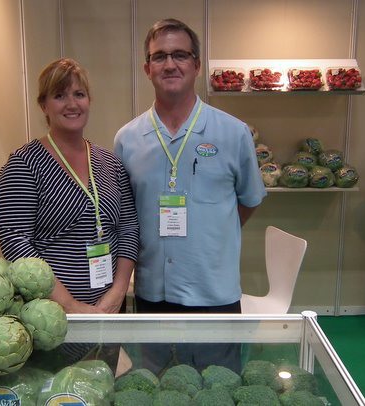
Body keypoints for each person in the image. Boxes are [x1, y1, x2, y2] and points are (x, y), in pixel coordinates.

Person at [114, 18, 266, 371]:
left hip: (214, 292)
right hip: (152, 293)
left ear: (196, 65)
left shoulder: (233, 133)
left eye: (180, 55)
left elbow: (248, 201)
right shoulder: (127, 139)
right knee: (158, 385)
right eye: (160, 56)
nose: (170, 64)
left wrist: (210, 236)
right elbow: (126, 216)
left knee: (218, 386)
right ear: (147, 68)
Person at [0, 58, 139, 315]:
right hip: (49, 315)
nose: (72, 104)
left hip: (111, 308)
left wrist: (118, 292)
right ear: (43, 105)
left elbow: (128, 227)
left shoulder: (110, 163)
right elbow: (15, 241)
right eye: (59, 96)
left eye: (79, 94)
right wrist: (69, 305)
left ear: (89, 101)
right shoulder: (24, 165)